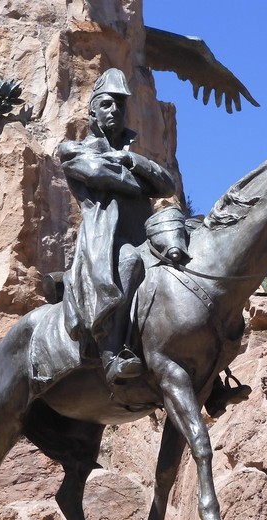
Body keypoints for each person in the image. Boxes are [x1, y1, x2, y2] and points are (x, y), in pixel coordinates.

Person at [58, 68, 175, 385]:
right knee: (130, 261)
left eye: (121, 105)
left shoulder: (131, 155)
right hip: (107, 244)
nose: (115, 111)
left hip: (144, 237)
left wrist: (135, 162)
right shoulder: (73, 150)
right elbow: (100, 174)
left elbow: (166, 185)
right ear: (92, 110)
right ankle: (112, 352)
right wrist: (137, 179)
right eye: (108, 104)